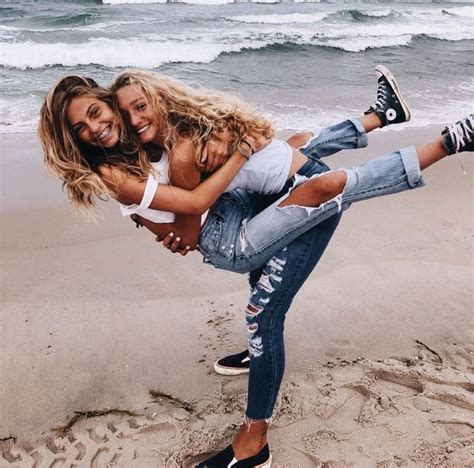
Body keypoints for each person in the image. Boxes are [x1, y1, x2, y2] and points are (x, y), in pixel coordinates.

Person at [38, 68, 473, 467]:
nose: (97, 127)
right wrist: (235, 156)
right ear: (73, 139)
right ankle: (436, 137)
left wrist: (222, 148)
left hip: (238, 214)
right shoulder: (119, 172)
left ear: (112, 103)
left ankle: (254, 437)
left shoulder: (148, 146)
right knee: (314, 183)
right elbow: (190, 215)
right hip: (232, 240)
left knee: (298, 151)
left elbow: (185, 198)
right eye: (81, 127)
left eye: (97, 113)